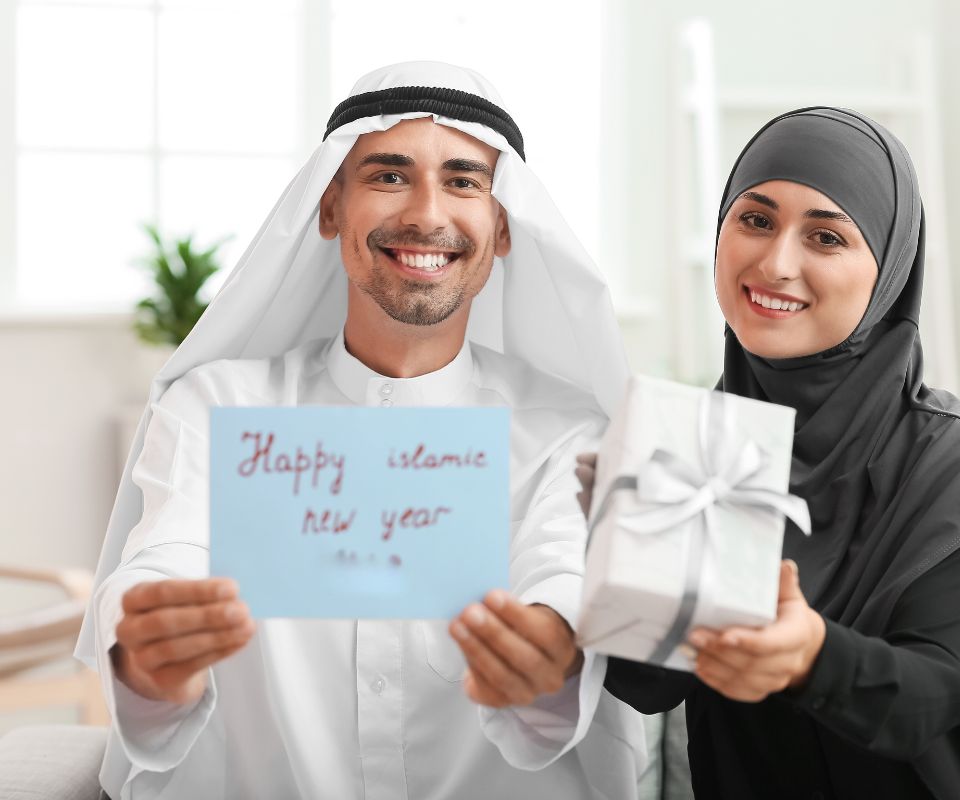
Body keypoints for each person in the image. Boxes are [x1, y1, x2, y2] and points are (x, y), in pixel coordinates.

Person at [75, 61, 644, 799]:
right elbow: (165, 558)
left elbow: (561, 571)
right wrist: (151, 660)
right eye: (388, 175)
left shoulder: (572, 431)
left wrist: (549, 649)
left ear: (503, 228)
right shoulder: (216, 408)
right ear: (329, 209)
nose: (426, 214)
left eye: (466, 181)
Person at [581, 108, 960, 799]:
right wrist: (612, 556)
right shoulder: (693, 442)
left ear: (888, 269)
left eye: (825, 236)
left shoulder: (956, 459)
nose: (775, 263)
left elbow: (935, 697)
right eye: (756, 220)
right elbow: (650, 685)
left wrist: (810, 656)